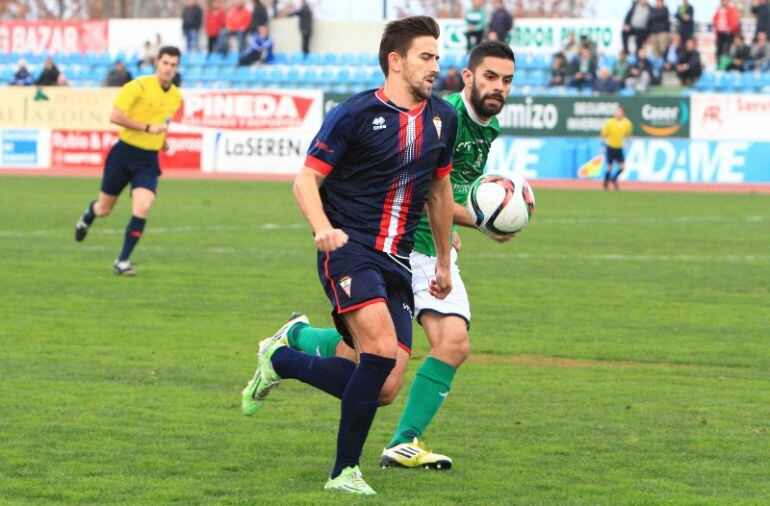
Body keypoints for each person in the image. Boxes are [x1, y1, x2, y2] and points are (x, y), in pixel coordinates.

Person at [266, 40, 517, 473]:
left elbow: (444, 192)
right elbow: (416, 189)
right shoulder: (441, 116)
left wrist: (452, 233)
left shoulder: (482, 125)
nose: (499, 88)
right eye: (491, 77)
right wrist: (481, 221)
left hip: (431, 250)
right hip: (401, 249)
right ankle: (293, 347)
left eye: (508, 81)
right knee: (378, 374)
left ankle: (403, 441)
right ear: (469, 77)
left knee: (451, 345)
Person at [240, 16, 457, 496]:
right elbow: (305, 180)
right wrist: (322, 229)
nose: (435, 66)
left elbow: (439, 192)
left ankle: (281, 359)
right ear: (395, 62)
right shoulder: (355, 114)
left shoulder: (444, 117)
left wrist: (442, 260)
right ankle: (344, 472)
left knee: (382, 387)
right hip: (348, 248)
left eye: (437, 57)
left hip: (398, 261)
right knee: (379, 351)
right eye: (426, 56)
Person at [73, 47, 183, 276]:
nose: (169, 68)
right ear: (157, 63)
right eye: (166, 63)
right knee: (104, 209)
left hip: (148, 160)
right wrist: (147, 128)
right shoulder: (138, 86)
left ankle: (122, 261)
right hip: (124, 154)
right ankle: (88, 216)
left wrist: (162, 142)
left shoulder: (175, 97)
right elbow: (115, 116)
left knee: (143, 206)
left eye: (174, 64)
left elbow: (160, 125)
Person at [600, 105, 633, 191]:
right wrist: (602, 145)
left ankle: (614, 178)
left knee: (622, 167)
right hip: (610, 147)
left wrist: (627, 141)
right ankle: (605, 183)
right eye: (617, 111)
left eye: (620, 111)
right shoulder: (610, 122)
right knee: (609, 167)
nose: (618, 113)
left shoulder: (627, 123)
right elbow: (603, 134)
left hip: (619, 148)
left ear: (623, 113)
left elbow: (628, 134)